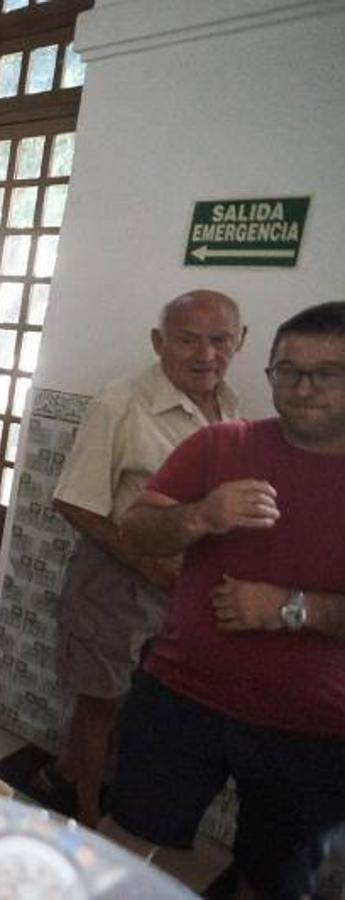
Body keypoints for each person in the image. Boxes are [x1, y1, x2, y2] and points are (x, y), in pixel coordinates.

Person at [112, 301, 345, 899]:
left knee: (273, 879)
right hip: (179, 696)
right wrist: (200, 516)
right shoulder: (222, 445)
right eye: (287, 370)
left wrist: (293, 608)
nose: (303, 386)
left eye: (328, 372)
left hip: (315, 727)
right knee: (123, 845)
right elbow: (137, 529)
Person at [43, 291, 245, 826]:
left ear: (241, 342)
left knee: (141, 700)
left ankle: (68, 771)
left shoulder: (229, 406)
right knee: (102, 701)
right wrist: (149, 565)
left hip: (182, 589)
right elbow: (72, 501)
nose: (206, 354)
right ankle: (85, 817)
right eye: (187, 339)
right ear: (159, 343)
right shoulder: (121, 402)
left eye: (220, 339)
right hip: (117, 581)